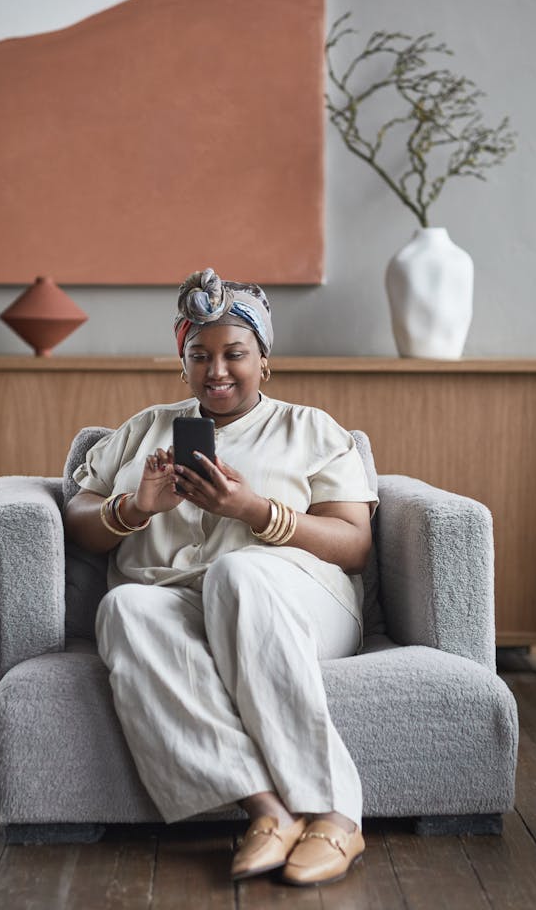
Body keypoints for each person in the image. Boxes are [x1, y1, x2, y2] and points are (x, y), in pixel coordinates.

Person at [64, 268, 377, 887]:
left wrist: (253, 511)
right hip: (177, 602)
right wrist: (135, 508)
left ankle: (337, 813)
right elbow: (78, 517)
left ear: (265, 360)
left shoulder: (311, 428)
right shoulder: (145, 429)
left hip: (294, 600)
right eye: (199, 355)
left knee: (237, 572)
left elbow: (355, 545)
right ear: (182, 363)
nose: (217, 370)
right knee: (124, 606)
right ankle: (267, 809)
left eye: (235, 353)